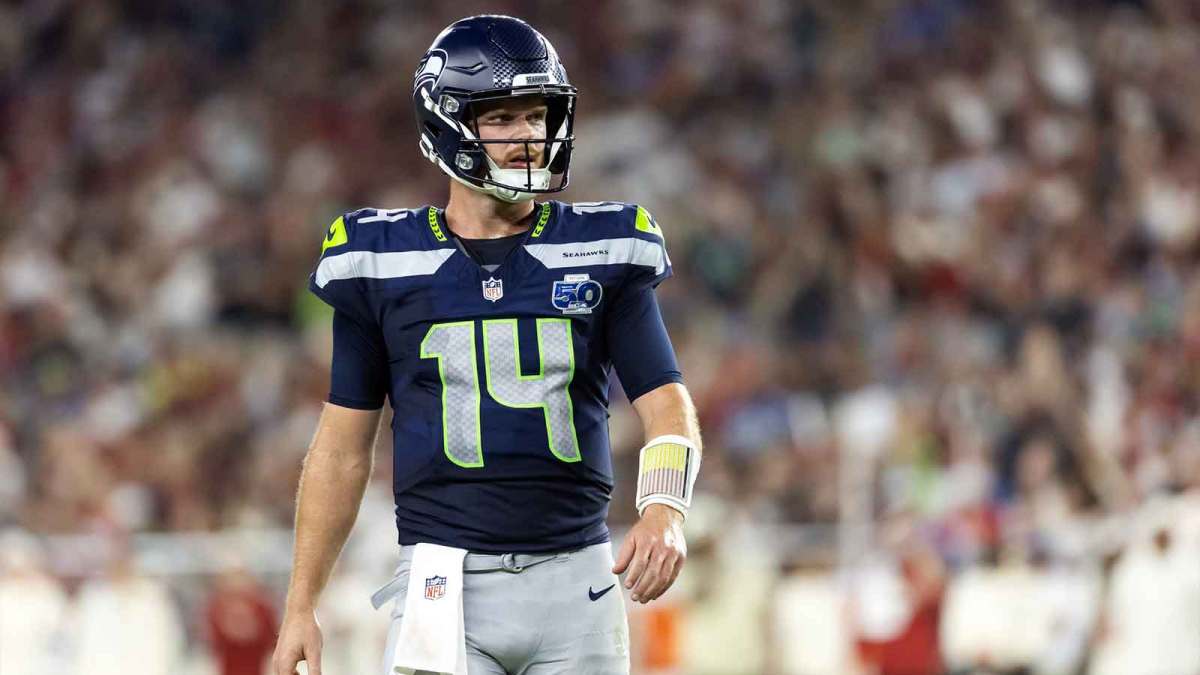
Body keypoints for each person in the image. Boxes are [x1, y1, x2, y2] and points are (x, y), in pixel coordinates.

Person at [272, 14, 703, 675]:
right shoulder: (379, 261)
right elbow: (340, 449)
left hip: (576, 579)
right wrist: (302, 602)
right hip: (441, 580)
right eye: (503, 118)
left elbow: (668, 405)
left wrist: (665, 506)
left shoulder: (604, 247)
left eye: (537, 116)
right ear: (447, 122)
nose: (528, 136)